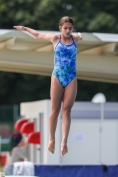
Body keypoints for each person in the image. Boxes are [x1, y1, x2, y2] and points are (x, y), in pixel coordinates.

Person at [14, 16, 82, 156]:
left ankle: (64, 142)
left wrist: (79, 35)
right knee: (55, 110)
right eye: (65, 28)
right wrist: (25, 28)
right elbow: (38, 35)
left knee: (67, 110)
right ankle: (52, 139)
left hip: (71, 77)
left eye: (70, 28)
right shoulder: (55, 39)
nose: (68, 30)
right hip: (57, 76)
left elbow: (80, 36)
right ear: (60, 28)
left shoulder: (75, 39)